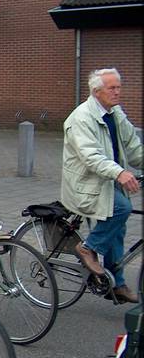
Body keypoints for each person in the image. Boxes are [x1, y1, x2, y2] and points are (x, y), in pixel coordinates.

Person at [62, 68, 143, 304]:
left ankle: (116, 285)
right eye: (112, 88)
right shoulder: (81, 117)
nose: (118, 92)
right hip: (86, 185)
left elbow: (133, 147)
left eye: (119, 87)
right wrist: (120, 173)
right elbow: (90, 156)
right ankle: (88, 248)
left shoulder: (115, 113)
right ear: (97, 92)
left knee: (118, 230)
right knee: (121, 210)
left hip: (108, 180)